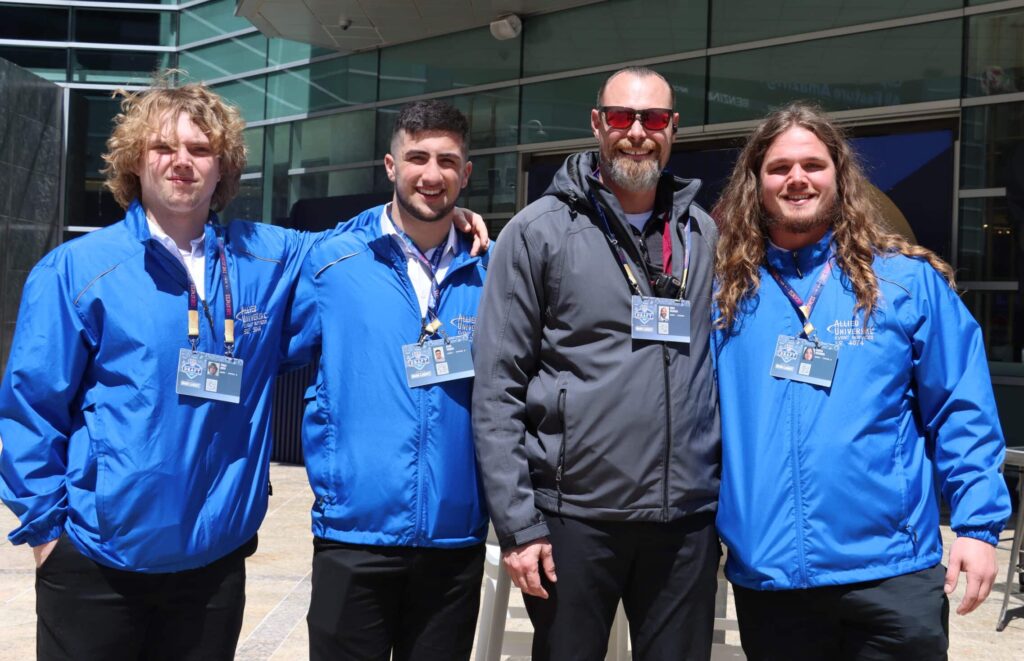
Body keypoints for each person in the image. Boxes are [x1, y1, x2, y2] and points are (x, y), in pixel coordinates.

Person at [0, 77, 487, 660]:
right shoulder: (78, 269)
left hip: (213, 566)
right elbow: (30, 407)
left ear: (223, 166)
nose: (182, 162)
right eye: (163, 147)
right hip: (98, 563)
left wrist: (446, 213)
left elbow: (360, 243)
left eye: (201, 150)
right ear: (135, 159)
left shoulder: (264, 258)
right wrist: (46, 534)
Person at [711, 102, 1011, 660]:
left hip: (890, 575)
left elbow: (960, 408)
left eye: (812, 164)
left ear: (839, 175)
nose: (796, 178)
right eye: (778, 168)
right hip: (772, 580)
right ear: (755, 183)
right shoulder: (724, 298)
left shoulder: (903, 282)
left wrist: (977, 525)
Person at [472, 66, 721, 660]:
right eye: (621, 118)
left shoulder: (702, 234)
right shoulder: (538, 232)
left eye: (654, 118)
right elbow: (497, 387)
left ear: (674, 130)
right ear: (596, 124)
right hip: (574, 520)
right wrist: (519, 525)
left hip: (684, 520)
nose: (637, 132)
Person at [285, 100, 488, 660]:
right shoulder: (331, 266)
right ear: (390, 167)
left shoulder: (490, 273)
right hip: (354, 536)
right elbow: (274, 352)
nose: (432, 174)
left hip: (454, 542)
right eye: (416, 157)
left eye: (448, 161)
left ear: (466, 175)